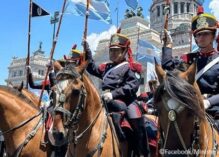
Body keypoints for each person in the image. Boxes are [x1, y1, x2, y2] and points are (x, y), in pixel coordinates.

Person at [84, 31, 150, 156]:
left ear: (124, 52)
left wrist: (113, 94)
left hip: (125, 100)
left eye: (116, 51)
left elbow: (132, 85)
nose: (113, 53)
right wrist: (87, 50)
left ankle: (141, 152)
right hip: (105, 99)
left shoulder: (130, 67)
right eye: (111, 50)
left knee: (136, 119)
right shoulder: (106, 68)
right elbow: (91, 68)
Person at [161, 6, 219, 122]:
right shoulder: (189, 59)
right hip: (191, 108)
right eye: (198, 35)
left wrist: (208, 101)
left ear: (213, 36)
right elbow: (167, 66)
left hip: (214, 109)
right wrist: (167, 45)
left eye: (205, 34)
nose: (201, 37)